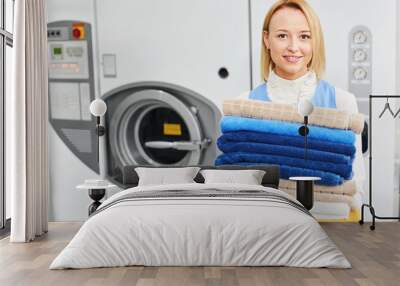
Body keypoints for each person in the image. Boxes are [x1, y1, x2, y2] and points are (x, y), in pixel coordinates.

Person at [241, 0, 365, 203]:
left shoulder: (342, 103)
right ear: (267, 39)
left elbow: (356, 187)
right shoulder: (244, 105)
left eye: (304, 36)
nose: (293, 47)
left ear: (314, 41)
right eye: (282, 35)